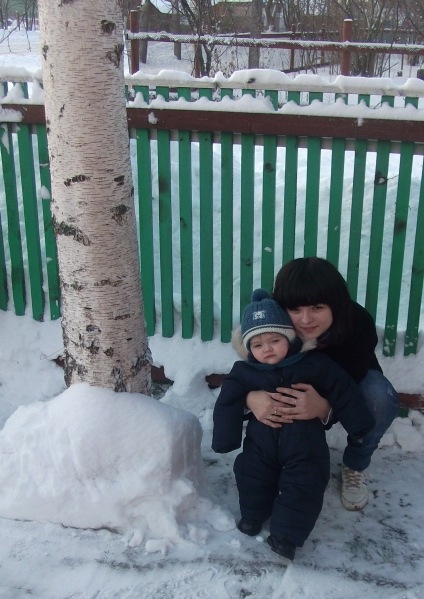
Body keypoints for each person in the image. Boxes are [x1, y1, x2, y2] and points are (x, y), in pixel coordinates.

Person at [212, 289, 375, 561]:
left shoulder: (314, 364)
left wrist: (359, 423)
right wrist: (225, 438)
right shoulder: (244, 372)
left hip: (305, 445)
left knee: (305, 483)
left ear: (290, 338)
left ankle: (286, 536)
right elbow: (227, 401)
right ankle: (253, 514)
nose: (267, 349)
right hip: (260, 444)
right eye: (258, 345)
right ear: (248, 348)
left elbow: (342, 389)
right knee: (251, 474)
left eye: (275, 340)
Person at [246, 257, 399, 512]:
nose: (306, 320)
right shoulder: (270, 323)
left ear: (335, 304)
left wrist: (326, 408)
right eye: (295, 309)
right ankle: (280, 461)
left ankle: (355, 464)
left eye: (317, 307)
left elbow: (351, 380)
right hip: (293, 387)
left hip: (346, 384)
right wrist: (250, 397)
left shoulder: (357, 324)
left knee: (379, 396)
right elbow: (248, 371)